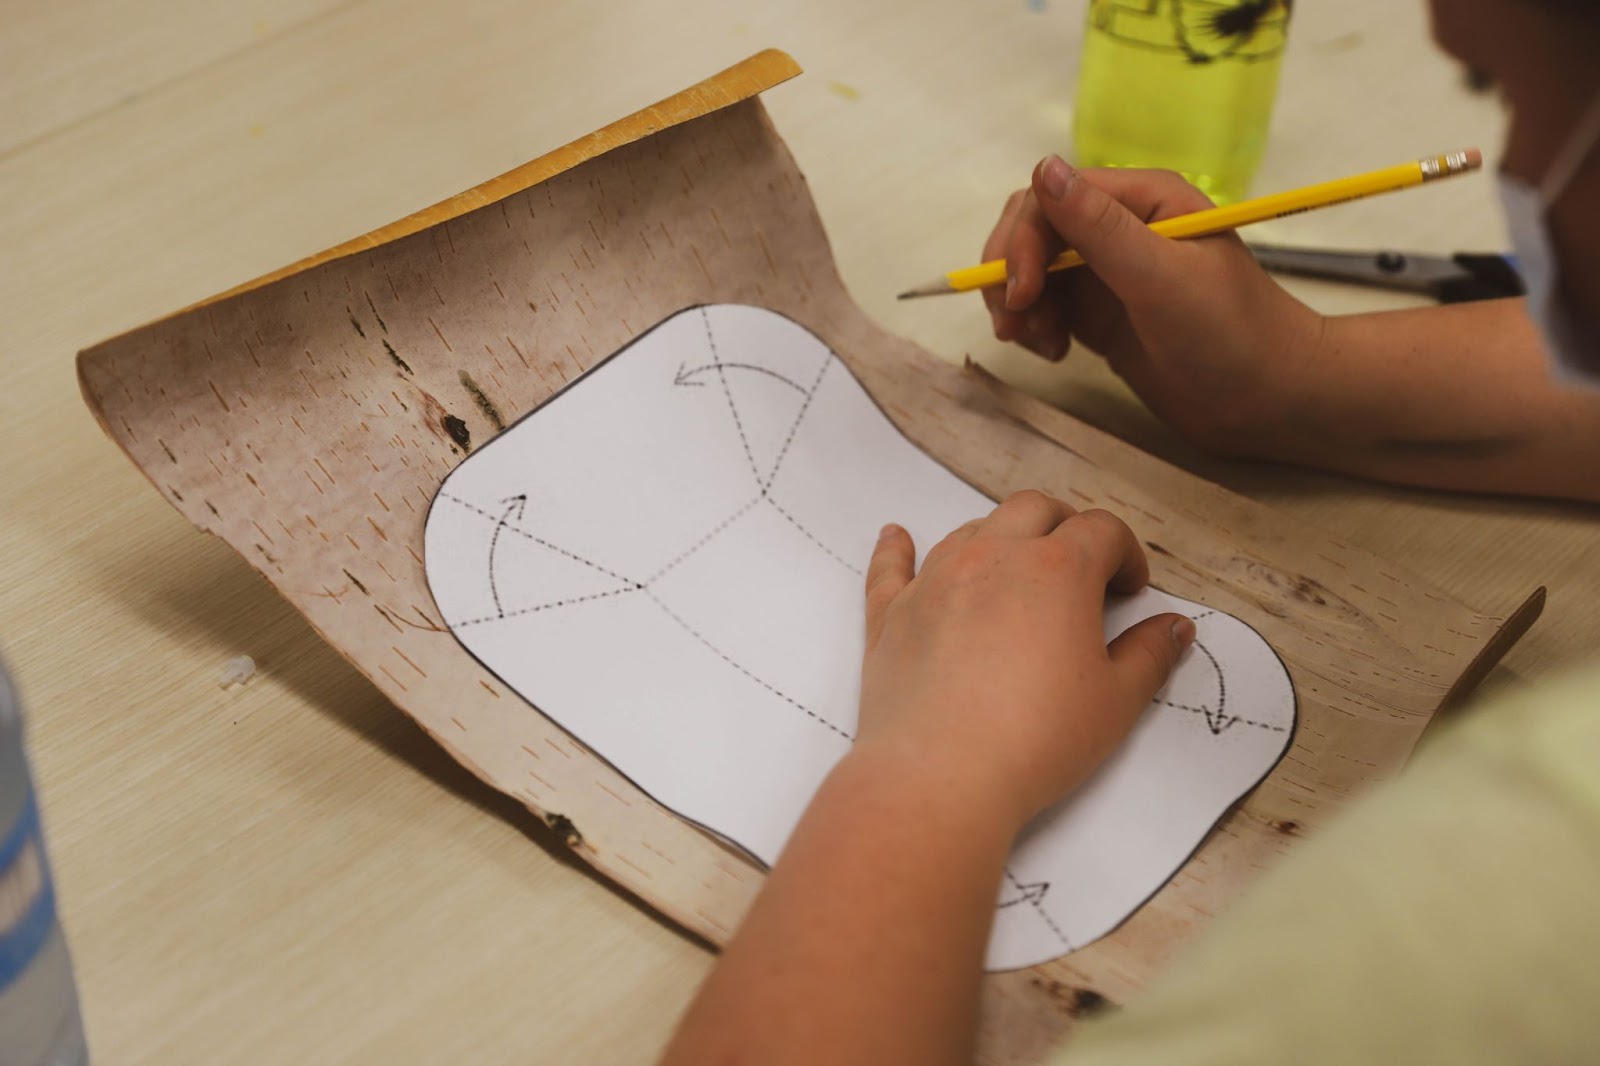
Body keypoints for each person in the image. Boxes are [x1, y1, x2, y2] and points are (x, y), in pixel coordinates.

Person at [658, 2, 1600, 1063]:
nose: (1507, 170)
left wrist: (930, 772)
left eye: (1506, 93)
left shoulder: (1539, 872)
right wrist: (1298, 379)